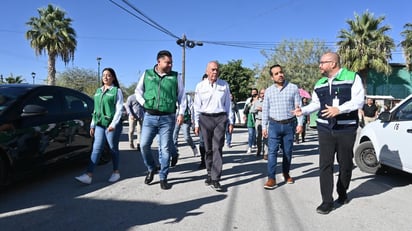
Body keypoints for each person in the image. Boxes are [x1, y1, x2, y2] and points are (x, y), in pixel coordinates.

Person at [294, 52, 364, 214]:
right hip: (325, 128)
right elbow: (316, 104)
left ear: (332, 63)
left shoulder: (352, 77)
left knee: (345, 164)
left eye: (322, 62)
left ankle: (342, 190)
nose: (319, 65)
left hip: (346, 128)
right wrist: (302, 110)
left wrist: (339, 109)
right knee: (325, 164)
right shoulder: (320, 83)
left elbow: (358, 101)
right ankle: (327, 201)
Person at [135, 50, 186, 190]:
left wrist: (181, 113)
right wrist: (143, 103)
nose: (170, 65)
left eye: (171, 62)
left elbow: (182, 96)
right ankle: (151, 168)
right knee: (144, 145)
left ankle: (163, 177)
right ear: (159, 61)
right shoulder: (147, 74)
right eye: (167, 62)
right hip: (149, 116)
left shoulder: (176, 77)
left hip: (167, 117)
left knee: (164, 148)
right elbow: (138, 91)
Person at [75, 67, 124, 184]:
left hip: (112, 125)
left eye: (108, 75)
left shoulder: (116, 91)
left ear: (113, 77)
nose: (105, 77)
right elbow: (96, 110)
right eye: (104, 75)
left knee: (113, 149)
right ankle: (89, 174)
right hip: (99, 125)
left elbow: (119, 109)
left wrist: (113, 124)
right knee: (96, 149)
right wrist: (92, 125)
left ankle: (116, 172)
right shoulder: (98, 91)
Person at [193, 61, 234, 191]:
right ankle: (209, 173)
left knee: (218, 148)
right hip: (205, 118)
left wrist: (231, 121)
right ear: (207, 71)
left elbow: (228, 105)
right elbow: (196, 106)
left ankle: (216, 178)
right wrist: (196, 123)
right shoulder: (200, 86)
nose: (215, 72)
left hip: (220, 118)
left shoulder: (224, 85)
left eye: (216, 70)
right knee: (208, 148)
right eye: (212, 70)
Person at [262, 64, 303, 190]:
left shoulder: (293, 88)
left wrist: (300, 123)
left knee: (287, 152)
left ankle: (286, 173)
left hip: (289, 125)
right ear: (272, 77)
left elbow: (298, 108)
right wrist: (264, 126)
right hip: (274, 125)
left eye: (281, 72)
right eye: (276, 73)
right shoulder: (268, 91)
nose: (280, 75)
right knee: (272, 152)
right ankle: (271, 178)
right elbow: (265, 110)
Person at [251, 88, 267, 157]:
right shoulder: (256, 102)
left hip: (266, 121)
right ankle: (259, 149)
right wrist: (256, 109)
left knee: (266, 136)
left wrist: (262, 109)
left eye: (264, 93)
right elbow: (251, 111)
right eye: (262, 93)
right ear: (259, 94)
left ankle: (266, 153)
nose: (263, 95)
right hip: (258, 120)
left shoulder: (268, 101)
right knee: (258, 137)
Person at [244, 88, 259, 153]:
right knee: (250, 133)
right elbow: (245, 110)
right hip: (250, 118)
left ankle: (256, 145)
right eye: (252, 93)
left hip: (257, 117)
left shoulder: (259, 100)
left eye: (255, 93)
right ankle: (250, 146)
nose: (254, 94)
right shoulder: (249, 100)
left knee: (257, 134)